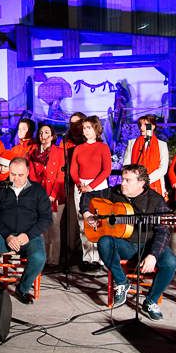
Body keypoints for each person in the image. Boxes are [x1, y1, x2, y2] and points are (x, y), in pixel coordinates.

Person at [81, 164, 176, 320]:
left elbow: (163, 231)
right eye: (122, 179)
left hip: (149, 245)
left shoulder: (155, 200)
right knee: (104, 241)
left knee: (170, 263)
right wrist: (86, 213)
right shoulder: (115, 192)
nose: (122, 183)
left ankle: (151, 301)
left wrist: (153, 255)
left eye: (127, 180)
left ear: (141, 183)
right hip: (125, 245)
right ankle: (122, 282)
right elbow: (87, 196)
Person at [0, 157, 52, 304]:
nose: (16, 178)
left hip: (29, 236)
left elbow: (46, 218)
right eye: (13, 174)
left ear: (28, 172)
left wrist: (28, 235)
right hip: (4, 234)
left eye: (20, 175)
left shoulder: (38, 191)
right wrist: (8, 236)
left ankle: (22, 288)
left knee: (38, 257)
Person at [69, 115, 112, 270]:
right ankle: (88, 258)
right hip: (81, 186)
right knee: (83, 222)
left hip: (98, 186)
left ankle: (101, 257)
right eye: (84, 128)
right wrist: (79, 183)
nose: (86, 131)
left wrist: (91, 186)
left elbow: (106, 170)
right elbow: (73, 169)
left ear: (96, 129)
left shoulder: (103, 147)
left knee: (99, 222)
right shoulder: (78, 149)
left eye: (89, 127)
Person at [29, 123, 66, 265]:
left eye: (46, 132)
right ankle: (42, 259)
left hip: (55, 195)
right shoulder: (33, 152)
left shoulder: (58, 151)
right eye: (40, 133)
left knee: (54, 227)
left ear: (52, 135)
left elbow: (60, 175)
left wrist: (53, 193)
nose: (43, 135)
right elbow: (31, 175)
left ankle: (54, 260)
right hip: (39, 194)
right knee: (41, 228)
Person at [60, 112, 87, 269]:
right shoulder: (65, 141)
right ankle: (69, 257)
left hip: (86, 183)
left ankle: (87, 258)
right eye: (71, 123)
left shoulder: (89, 141)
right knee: (70, 221)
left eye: (77, 123)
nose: (74, 126)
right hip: (69, 183)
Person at [123, 115, 169, 199]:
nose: (142, 127)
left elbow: (163, 169)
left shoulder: (162, 145)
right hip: (134, 184)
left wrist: (145, 180)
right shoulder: (132, 143)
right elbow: (126, 165)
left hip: (154, 183)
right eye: (140, 125)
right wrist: (136, 179)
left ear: (153, 126)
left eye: (145, 125)